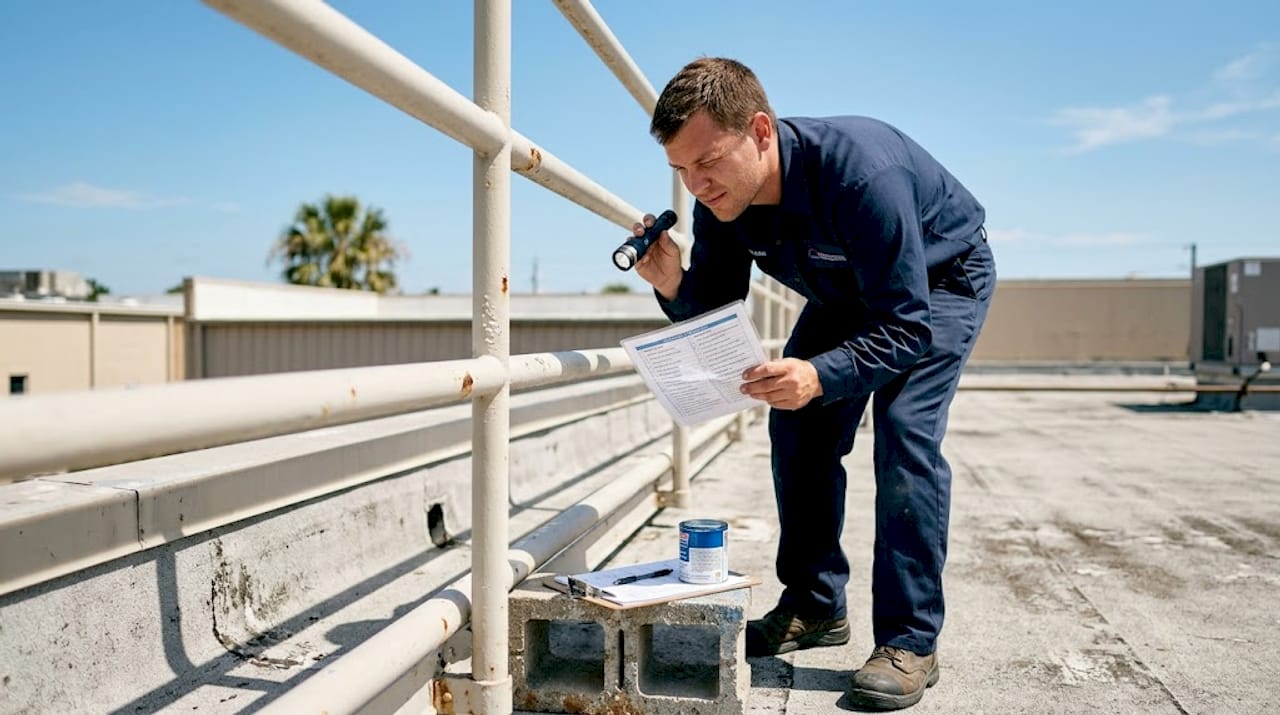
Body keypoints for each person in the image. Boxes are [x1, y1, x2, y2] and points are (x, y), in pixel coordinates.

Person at [629, 57, 995, 711]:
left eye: (707, 160)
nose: (696, 183)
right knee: (793, 419)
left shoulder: (863, 175)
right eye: (680, 170)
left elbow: (907, 328)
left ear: (761, 132)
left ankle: (911, 638)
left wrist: (820, 373)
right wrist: (675, 285)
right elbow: (715, 312)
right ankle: (815, 603)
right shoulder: (721, 201)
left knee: (905, 433)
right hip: (846, 293)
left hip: (938, 284)